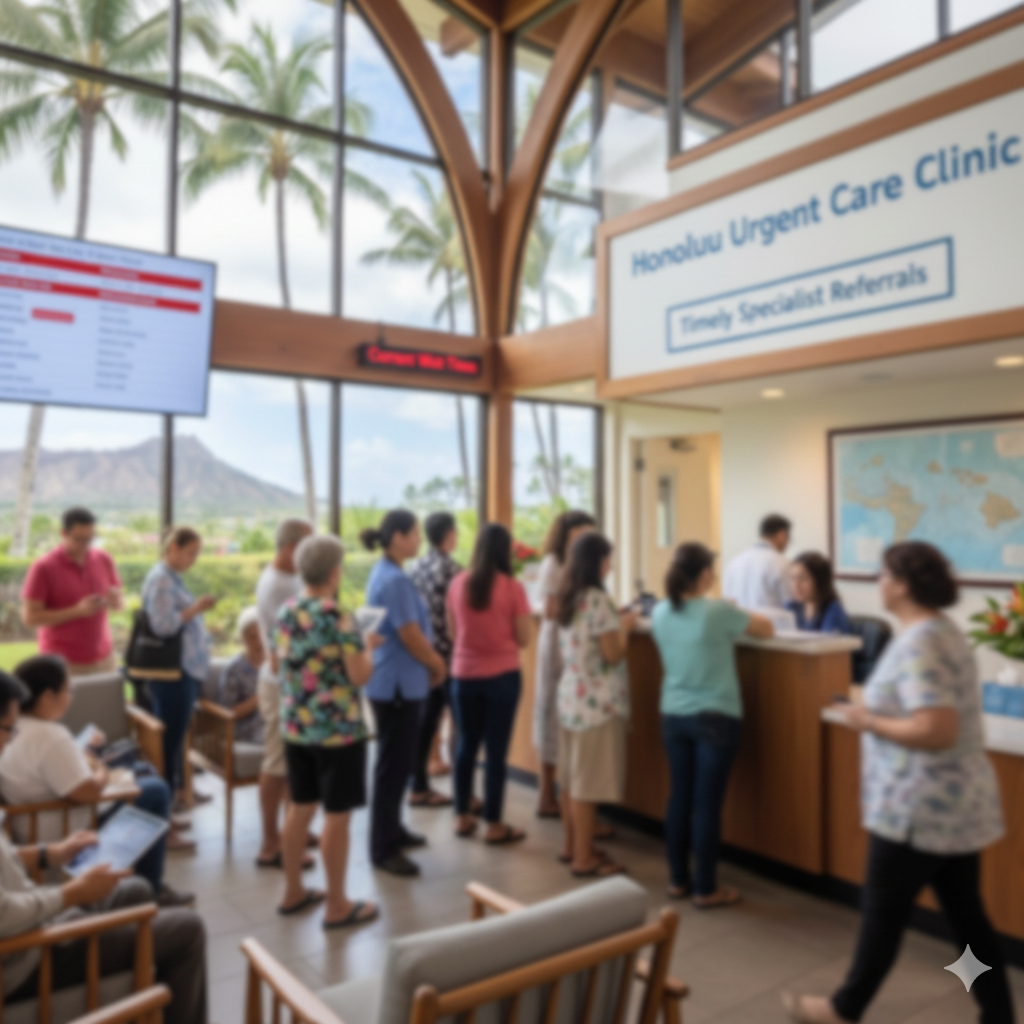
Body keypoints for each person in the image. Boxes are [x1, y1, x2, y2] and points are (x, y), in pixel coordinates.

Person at [783, 542, 1013, 1024]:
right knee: (966, 921)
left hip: (918, 809)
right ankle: (997, 1012)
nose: (877, 581)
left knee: (883, 915)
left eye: (883, 574)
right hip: (948, 808)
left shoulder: (922, 641)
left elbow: (936, 728)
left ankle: (845, 1008)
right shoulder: (937, 632)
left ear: (904, 584)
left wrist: (868, 722)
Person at [0, 670, 208, 1024]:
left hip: (32, 912)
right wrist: (71, 895)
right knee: (189, 930)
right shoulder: (50, 737)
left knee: (138, 887)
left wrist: (50, 853)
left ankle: (137, 994)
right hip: (22, 957)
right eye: (7, 729)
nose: (10, 740)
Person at [0, 654, 194, 904]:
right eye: (68, 689)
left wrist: (83, 757)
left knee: (144, 771)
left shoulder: (19, 727)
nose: (71, 696)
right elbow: (88, 793)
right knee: (156, 791)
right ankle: (152, 888)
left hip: (31, 820)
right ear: (48, 696)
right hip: (65, 825)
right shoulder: (48, 736)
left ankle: (149, 880)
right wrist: (99, 767)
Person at [652, 543, 774, 908]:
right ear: (705, 574)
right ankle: (706, 888)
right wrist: (737, 610)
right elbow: (765, 629)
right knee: (706, 806)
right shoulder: (718, 611)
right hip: (715, 717)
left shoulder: (660, 611)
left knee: (679, 797)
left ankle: (677, 881)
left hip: (673, 715)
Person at [273, 535, 381, 929]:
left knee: (300, 808)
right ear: (335, 572)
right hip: (338, 732)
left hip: (296, 726)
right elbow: (359, 675)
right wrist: (368, 647)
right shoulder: (339, 615)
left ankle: (293, 892)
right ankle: (337, 904)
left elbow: (278, 664)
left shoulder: (286, 611)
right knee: (337, 816)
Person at [362, 510, 446, 877]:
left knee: (395, 765)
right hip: (396, 684)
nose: (418, 539)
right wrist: (438, 664)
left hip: (392, 682)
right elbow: (411, 636)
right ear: (397, 537)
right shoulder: (394, 580)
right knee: (392, 769)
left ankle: (393, 830)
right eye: (413, 533)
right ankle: (383, 847)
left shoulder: (387, 571)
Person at [555, 532, 637, 878]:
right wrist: (627, 627)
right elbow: (612, 652)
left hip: (571, 697)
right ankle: (584, 859)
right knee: (587, 786)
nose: (611, 565)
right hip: (598, 702)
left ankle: (573, 846)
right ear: (597, 562)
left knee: (572, 781)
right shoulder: (599, 600)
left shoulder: (567, 597)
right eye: (608, 558)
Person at [447, 523, 531, 845]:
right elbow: (524, 638)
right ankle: (494, 824)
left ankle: (461, 816)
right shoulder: (512, 588)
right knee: (496, 752)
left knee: (465, 745)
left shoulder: (457, 584)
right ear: (505, 550)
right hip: (502, 678)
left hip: (463, 676)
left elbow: (454, 635)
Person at [142, 526, 216, 812]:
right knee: (168, 744)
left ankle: (176, 797)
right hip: (173, 674)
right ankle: (165, 812)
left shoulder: (172, 578)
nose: (194, 559)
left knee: (174, 741)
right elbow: (163, 626)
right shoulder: (161, 579)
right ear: (173, 548)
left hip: (184, 671)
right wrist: (195, 609)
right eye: (190, 553)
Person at [255, 518, 314, 869]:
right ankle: (270, 843)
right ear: (292, 548)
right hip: (281, 684)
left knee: (291, 764)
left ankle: (294, 831)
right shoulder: (279, 586)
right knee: (276, 765)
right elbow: (285, 648)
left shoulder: (290, 578)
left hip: (289, 681)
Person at [533, 510, 597, 819]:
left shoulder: (577, 562)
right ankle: (547, 796)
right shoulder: (553, 563)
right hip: (557, 644)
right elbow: (550, 609)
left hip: (568, 642)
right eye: (582, 533)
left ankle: (556, 798)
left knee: (562, 722)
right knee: (551, 720)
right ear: (567, 534)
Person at [20, 507, 123, 677]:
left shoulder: (104, 559)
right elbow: (29, 618)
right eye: (79, 539)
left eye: (90, 539)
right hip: (64, 664)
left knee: (106, 704)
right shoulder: (43, 567)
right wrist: (77, 611)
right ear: (63, 533)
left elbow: (119, 603)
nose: (85, 545)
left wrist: (116, 600)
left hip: (105, 659)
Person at [408, 511, 461, 809]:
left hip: (425, 656)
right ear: (450, 535)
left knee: (426, 723)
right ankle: (463, 793)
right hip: (451, 658)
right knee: (460, 725)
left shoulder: (417, 567)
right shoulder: (454, 570)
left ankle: (418, 784)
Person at [722, 513, 793, 610]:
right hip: (773, 624)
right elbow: (790, 603)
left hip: (738, 624)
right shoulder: (782, 563)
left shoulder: (734, 562)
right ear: (782, 534)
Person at [216, 607, 265, 744]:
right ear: (243, 638)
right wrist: (260, 698)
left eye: (262, 635)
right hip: (248, 729)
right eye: (253, 637)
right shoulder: (233, 669)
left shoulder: (274, 665)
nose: (259, 642)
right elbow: (227, 713)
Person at [786, 552, 852, 634]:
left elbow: (829, 644)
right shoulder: (791, 607)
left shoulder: (832, 610)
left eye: (803, 578)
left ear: (819, 581)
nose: (796, 585)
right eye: (793, 578)